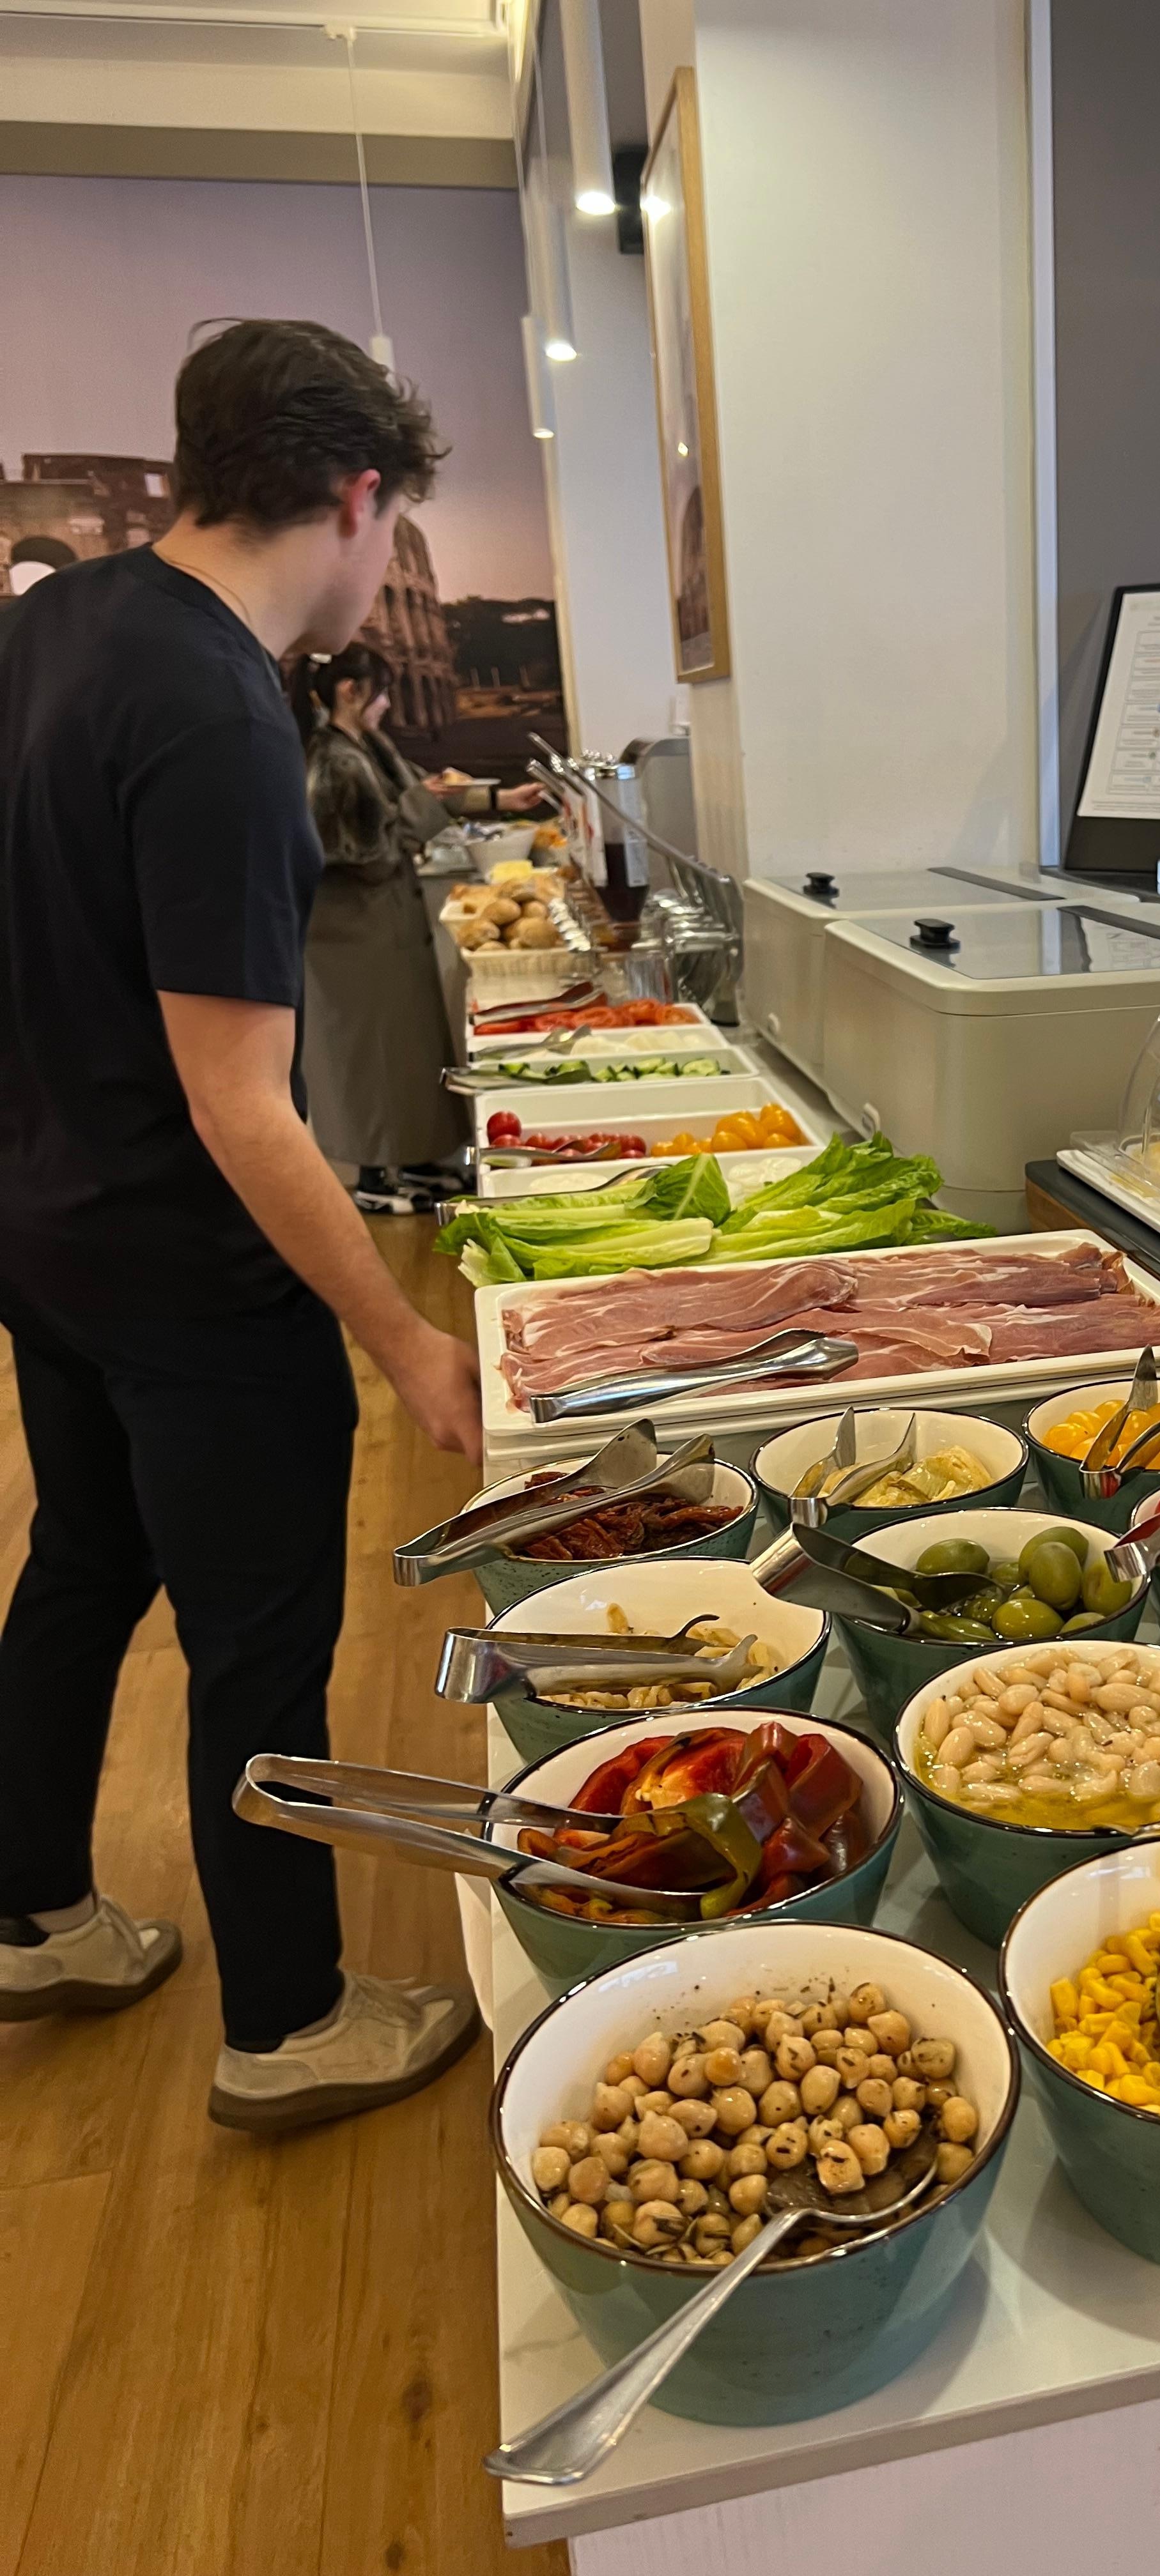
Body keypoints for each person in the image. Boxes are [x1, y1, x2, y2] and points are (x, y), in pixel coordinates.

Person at [0, 318, 484, 2131]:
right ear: (358, 497)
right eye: (394, 523)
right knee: (260, 1641)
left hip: (48, 1227)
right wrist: (406, 1337)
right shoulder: (213, 704)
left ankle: (32, 1911)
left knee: (80, 1569)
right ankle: (289, 2022)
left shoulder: (54, 626)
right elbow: (240, 1103)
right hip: (191, 1273)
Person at [291, 643, 468, 1213]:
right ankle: (373, 1177)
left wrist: (482, 796)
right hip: (351, 934)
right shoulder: (334, 762)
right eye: (382, 692)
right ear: (352, 691)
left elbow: (410, 800)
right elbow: (368, 855)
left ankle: (415, 1159)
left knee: (408, 1051)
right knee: (368, 1058)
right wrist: (422, 809)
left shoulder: (365, 747)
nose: (388, 704)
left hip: (382, 926)